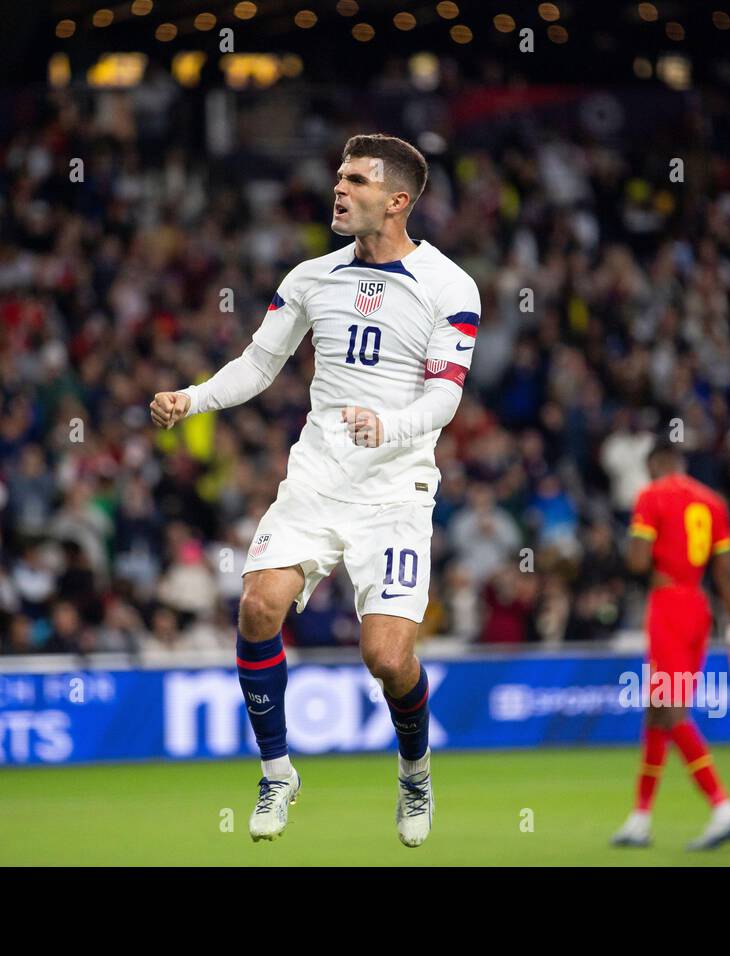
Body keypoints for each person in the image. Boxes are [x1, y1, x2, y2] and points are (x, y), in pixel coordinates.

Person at [150, 134, 480, 848]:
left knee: (388, 658)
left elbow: (444, 400)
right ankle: (277, 771)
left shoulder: (451, 286)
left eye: (356, 180)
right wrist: (194, 398)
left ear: (396, 201)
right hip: (317, 482)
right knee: (258, 603)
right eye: (338, 176)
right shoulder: (310, 278)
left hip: (396, 492)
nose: (339, 189)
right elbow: (259, 364)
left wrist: (387, 427)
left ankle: (415, 772)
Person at [610, 439, 730, 851]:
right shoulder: (713, 502)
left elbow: (637, 562)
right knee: (658, 712)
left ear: (655, 464)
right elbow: (727, 572)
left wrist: (639, 545)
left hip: (668, 607)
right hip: (699, 606)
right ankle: (640, 820)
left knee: (672, 710)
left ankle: (723, 807)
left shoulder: (651, 496)